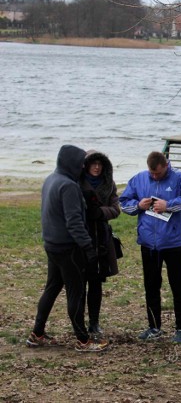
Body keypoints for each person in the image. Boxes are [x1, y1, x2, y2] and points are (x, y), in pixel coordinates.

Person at [27, 144, 110, 352]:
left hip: (51, 245)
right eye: (81, 163)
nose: (83, 166)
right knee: (77, 292)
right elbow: (74, 222)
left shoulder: (50, 179)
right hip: (68, 248)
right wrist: (88, 247)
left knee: (52, 288)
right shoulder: (69, 186)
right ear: (71, 163)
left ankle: (37, 333)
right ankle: (83, 340)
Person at [119, 151, 181, 344]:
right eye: (152, 173)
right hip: (149, 244)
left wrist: (169, 205)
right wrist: (138, 205)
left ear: (166, 166)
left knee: (178, 286)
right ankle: (154, 326)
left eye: (158, 173)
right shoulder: (139, 179)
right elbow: (123, 203)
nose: (155, 176)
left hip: (174, 243)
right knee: (151, 286)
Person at [80, 150, 121, 336]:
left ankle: (94, 322)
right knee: (79, 282)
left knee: (96, 283)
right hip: (81, 235)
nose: (96, 167)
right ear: (87, 165)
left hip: (101, 238)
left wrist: (100, 213)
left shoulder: (108, 184)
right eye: (93, 163)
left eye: (99, 164)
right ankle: (78, 321)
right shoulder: (77, 183)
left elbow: (115, 209)